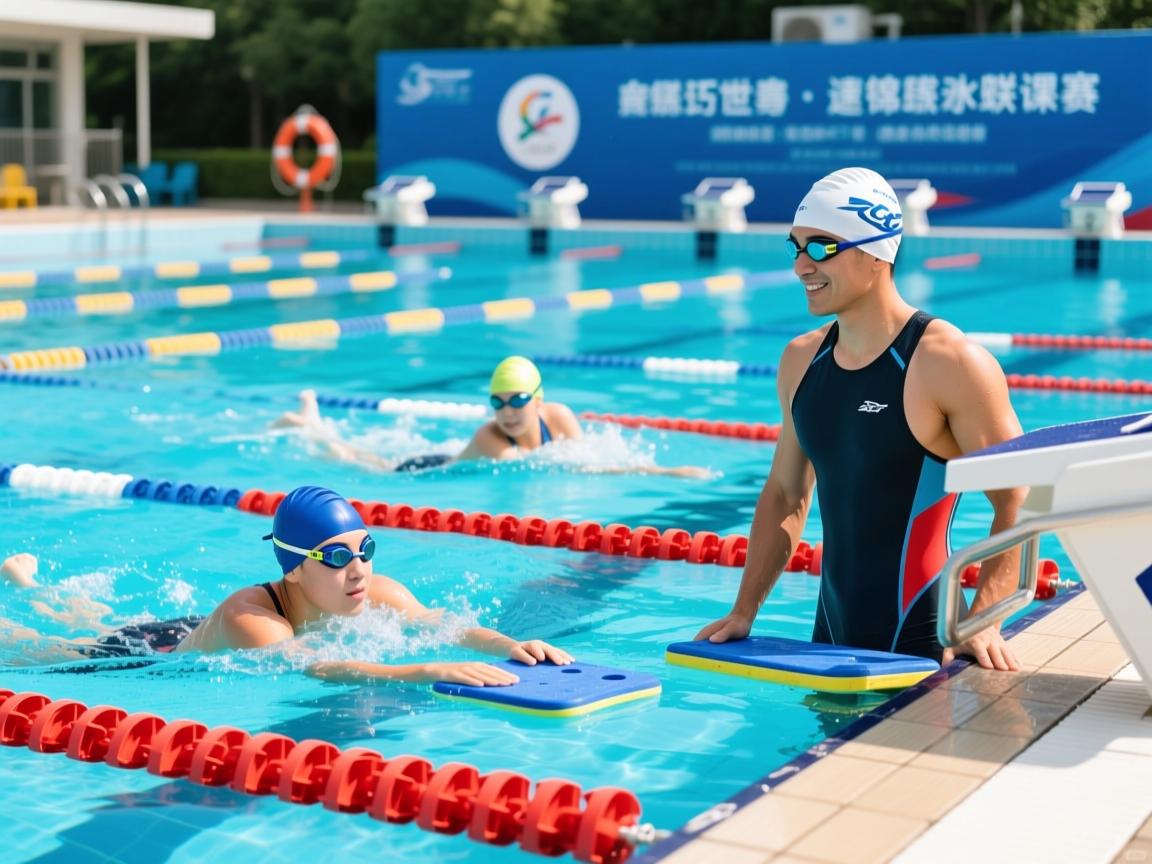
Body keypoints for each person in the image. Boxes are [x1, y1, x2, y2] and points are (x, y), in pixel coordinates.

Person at [696, 167, 1027, 671]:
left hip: (927, 646)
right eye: (797, 247)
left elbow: (1021, 498)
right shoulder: (801, 361)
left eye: (822, 247)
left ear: (877, 253)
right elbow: (786, 493)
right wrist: (744, 611)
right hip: (828, 641)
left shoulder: (947, 362)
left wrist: (984, 618)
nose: (802, 265)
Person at [2, 486, 574, 685]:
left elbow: (438, 623)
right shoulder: (252, 619)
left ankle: (26, 579)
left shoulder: (374, 589)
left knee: (94, 617)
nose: (358, 570)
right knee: (57, 648)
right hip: (152, 657)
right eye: (336, 557)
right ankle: (19, 602)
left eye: (365, 550)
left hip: (180, 628)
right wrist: (427, 670)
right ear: (294, 568)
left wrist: (505, 646)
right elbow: (314, 664)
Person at [276, 355, 709, 477]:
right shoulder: (491, 440)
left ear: (538, 400)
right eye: (498, 402)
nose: (507, 411)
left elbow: (591, 461)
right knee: (372, 464)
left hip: (450, 455)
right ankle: (313, 429)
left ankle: (314, 424)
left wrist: (663, 471)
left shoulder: (559, 416)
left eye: (517, 400)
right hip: (428, 468)